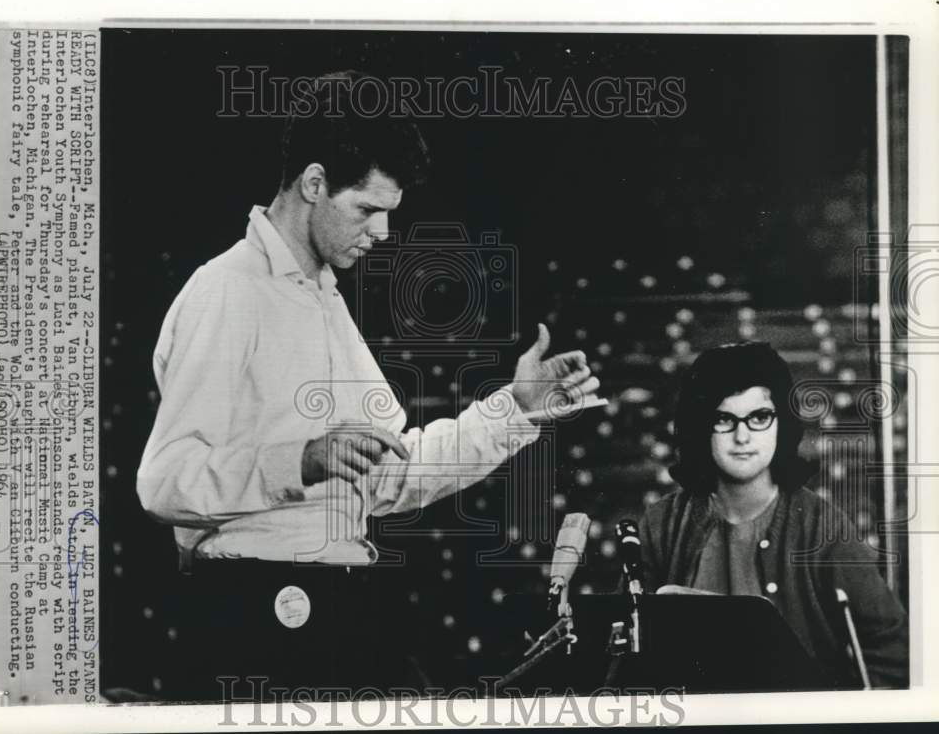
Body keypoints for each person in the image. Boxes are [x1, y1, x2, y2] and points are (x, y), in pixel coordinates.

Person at [136, 71, 599, 700]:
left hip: (343, 608)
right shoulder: (227, 290)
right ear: (315, 183)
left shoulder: (327, 305)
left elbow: (389, 476)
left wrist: (514, 409)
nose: (381, 232)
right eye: (367, 210)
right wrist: (301, 459)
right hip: (259, 611)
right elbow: (163, 483)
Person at [639, 341, 908, 689]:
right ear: (699, 426)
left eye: (759, 417)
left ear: (781, 421)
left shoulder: (822, 527)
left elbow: (892, 655)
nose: (742, 436)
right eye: (723, 419)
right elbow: (624, 656)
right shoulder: (662, 525)